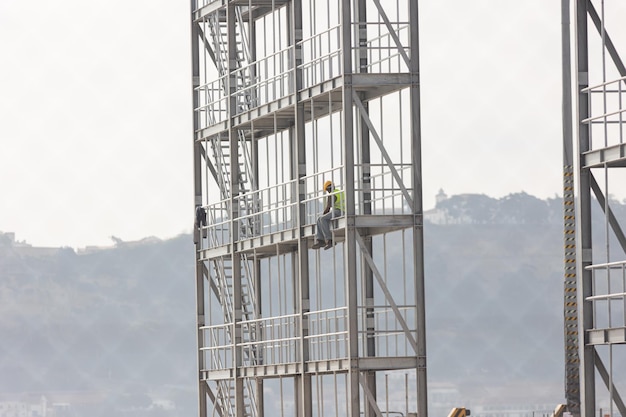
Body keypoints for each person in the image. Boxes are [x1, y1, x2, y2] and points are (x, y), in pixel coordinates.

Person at [312, 180, 345, 250]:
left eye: (327, 190)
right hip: (341, 211)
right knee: (319, 219)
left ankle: (329, 240)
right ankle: (320, 240)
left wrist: (323, 215)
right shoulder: (338, 191)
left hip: (339, 211)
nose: (328, 192)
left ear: (328, 189)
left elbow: (328, 208)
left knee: (322, 219)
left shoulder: (332, 194)